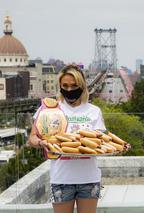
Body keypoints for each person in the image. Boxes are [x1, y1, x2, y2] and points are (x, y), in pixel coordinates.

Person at [28, 64, 106, 213]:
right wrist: (41, 142)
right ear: (60, 86)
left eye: (74, 85)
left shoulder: (94, 111)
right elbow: (32, 137)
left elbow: (101, 141)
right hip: (61, 179)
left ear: (82, 86)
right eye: (65, 86)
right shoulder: (49, 109)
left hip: (89, 179)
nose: (69, 90)